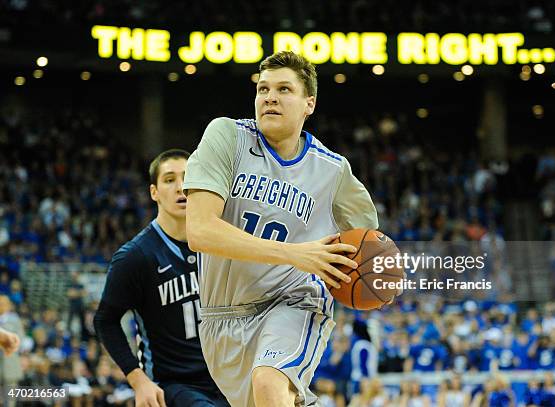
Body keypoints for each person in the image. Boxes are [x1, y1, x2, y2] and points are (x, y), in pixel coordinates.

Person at [183, 50, 378, 407]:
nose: (270, 96)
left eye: (284, 89)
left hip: (294, 300)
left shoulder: (333, 171)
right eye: (263, 89)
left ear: (309, 104)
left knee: (270, 384)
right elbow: (200, 231)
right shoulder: (227, 136)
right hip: (219, 316)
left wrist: (372, 277)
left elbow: (369, 243)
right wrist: (296, 253)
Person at [94, 149, 228, 407]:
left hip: (228, 377)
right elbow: (105, 321)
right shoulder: (135, 257)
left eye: (188, 177)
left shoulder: (221, 241)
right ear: (154, 192)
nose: (181, 187)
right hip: (175, 385)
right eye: (169, 180)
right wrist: (138, 380)